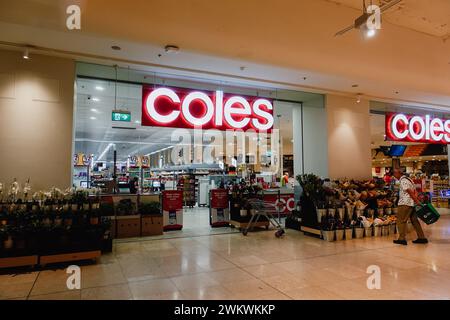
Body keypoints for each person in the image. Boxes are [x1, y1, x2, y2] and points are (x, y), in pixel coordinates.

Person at [392, 168, 428, 245]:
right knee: (414, 220)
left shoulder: (403, 180)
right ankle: (422, 237)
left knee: (401, 220)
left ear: (398, 173)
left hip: (405, 203)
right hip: (411, 203)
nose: (394, 175)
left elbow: (410, 192)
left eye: (394, 173)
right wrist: (415, 201)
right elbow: (415, 191)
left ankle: (401, 239)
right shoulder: (409, 179)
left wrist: (417, 202)